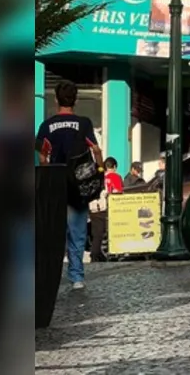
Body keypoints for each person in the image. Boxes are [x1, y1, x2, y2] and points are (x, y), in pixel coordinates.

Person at [35, 80, 103, 290]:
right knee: (77, 232)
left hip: (55, 184)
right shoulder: (84, 123)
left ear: (56, 99)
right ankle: (76, 277)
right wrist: (99, 171)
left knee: (53, 232)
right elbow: (96, 151)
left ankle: (49, 275)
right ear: (76, 100)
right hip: (78, 185)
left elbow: (42, 156)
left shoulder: (47, 126)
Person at [89, 157, 123, 262]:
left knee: (97, 234)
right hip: (106, 209)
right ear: (114, 167)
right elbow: (118, 193)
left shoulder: (97, 177)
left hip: (93, 208)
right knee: (109, 232)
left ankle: (97, 254)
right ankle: (96, 254)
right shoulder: (115, 177)